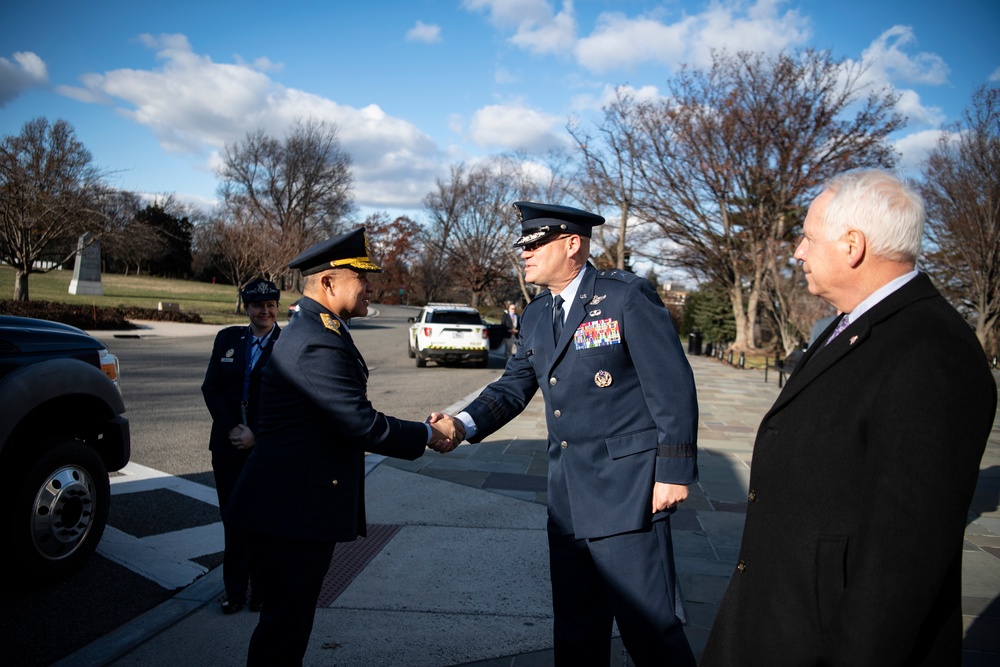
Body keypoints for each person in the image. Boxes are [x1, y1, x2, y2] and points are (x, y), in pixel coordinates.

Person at [701, 170, 997, 666]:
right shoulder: (851, 324)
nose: (797, 251)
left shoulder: (932, 351)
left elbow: (902, 562)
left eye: (808, 237)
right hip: (777, 621)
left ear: (852, 245)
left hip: (824, 639)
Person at [431, 202, 699, 667]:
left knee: (651, 631)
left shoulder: (625, 297)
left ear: (572, 244)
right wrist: (462, 423)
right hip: (568, 499)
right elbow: (513, 386)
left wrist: (673, 470)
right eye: (523, 246)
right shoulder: (537, 314)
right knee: (576, 629)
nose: (525, 254)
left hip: (629, 493)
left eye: (535, 244)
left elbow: (672, 387)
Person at [225, 228, 460, 666]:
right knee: (283, 631)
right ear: (329, 283)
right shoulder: (314, 340)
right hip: (289, 513)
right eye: (361, 278)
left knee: (288, 626)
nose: (372, 286)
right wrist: (431, 434)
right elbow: (359, 423)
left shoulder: (320, 330)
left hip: (292, 508)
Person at [201, 278, 281, 614]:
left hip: (266, 450)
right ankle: (234, 592)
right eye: (257, 305)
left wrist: (257, 433)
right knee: (233, 521)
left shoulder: (289, 343)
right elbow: (212, 388)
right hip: (228, 445)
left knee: (264, 522)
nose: (265, 311)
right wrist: (234, 427)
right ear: (246, 307)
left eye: (270, 305)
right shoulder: (228, 339)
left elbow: (291, 400)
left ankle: (261, 592)